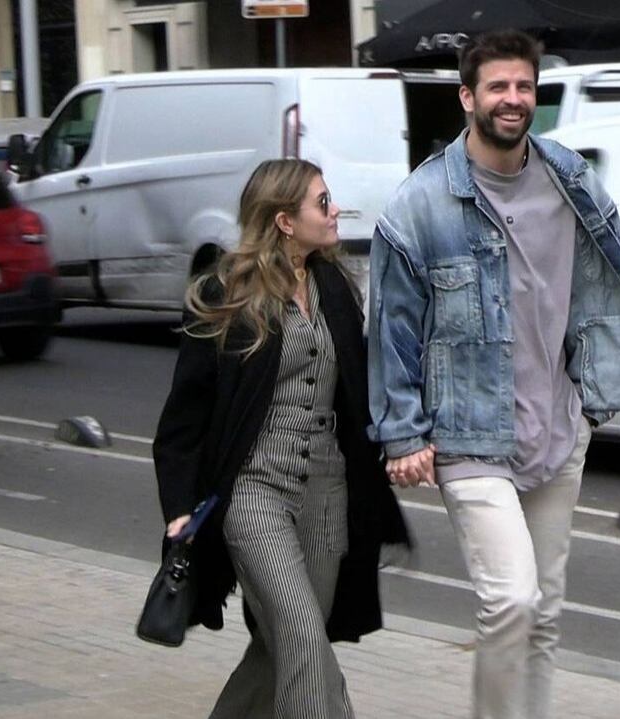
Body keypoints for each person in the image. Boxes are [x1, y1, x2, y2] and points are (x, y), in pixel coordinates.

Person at [367, 30, 620, 719]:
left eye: (524, 87)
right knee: (510, 597)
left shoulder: (572, 178)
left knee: (546, 611)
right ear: (467, 97)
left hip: (559, 427)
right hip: (470, 432)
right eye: (499, 87)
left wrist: (593, 398)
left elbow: (609, 288)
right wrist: (401, 433)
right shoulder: (420, 204)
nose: (513, 100)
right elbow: (389, 327)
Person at [154, 159, 408, 719]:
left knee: (286, 646)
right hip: (253, 492)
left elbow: (362, 386)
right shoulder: (228, 294)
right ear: (285, 221)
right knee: (299, 635)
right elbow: (183, 418)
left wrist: (405, 441)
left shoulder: (335, 287)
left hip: (326, 492)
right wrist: (178, 507)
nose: (335, 209)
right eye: (322, 202)